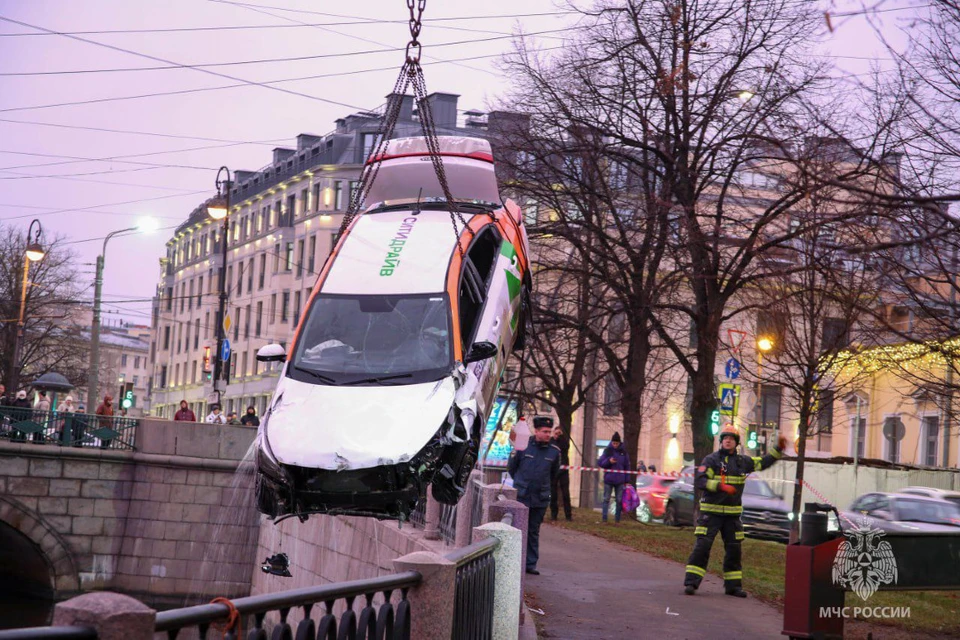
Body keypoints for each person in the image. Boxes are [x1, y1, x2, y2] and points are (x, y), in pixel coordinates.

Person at [683, 425, 786, 598]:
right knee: (702, 547)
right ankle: (691, 583)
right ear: (721, 441)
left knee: (734, 550)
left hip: (732, 516)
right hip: (711, 514)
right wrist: (720, 486)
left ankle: (733, 586)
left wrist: (778, 450)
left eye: (731, 438)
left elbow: (763, 462)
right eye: (725, 438)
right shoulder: (711, 460)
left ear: (736, 442)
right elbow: (701, 481)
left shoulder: (743, 462)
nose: (728, 440)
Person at [508, 416, 561, 575]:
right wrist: (521, 483)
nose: (547, 434)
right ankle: (515, 561)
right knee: (518, 529)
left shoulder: (554, 451)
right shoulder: (523, 446)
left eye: (549, 431)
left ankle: (530, 564)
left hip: (540, 497)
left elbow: (554, 474)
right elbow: (512, 468)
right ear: (536, 431)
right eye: (544, 431)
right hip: (522, 495)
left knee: (533, 531)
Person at [598, 432, 631, 523]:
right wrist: (609, 461)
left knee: (619, 500)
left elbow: (627, 466)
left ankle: (617, 520)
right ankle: (604, 519)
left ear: (619, 443)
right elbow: (600, 463)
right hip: (609, 479)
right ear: (611, 442)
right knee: (606, 499)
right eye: (613, 443)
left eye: (617, 443)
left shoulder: (624, 453)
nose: (615, 445)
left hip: (620, 480)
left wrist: (627, 480)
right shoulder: (607, 451)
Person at [549, 423, 572, 522]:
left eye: (559, 433)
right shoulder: (551, 441)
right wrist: (554, 438)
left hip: (563, 470)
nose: (557, 435)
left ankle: (568, 516)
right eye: (556, 433)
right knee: (553, 494)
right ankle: (554, 514)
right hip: (553, 471)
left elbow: (565, 447)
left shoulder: (564, 441)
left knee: (566, 494)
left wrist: (561, 436)